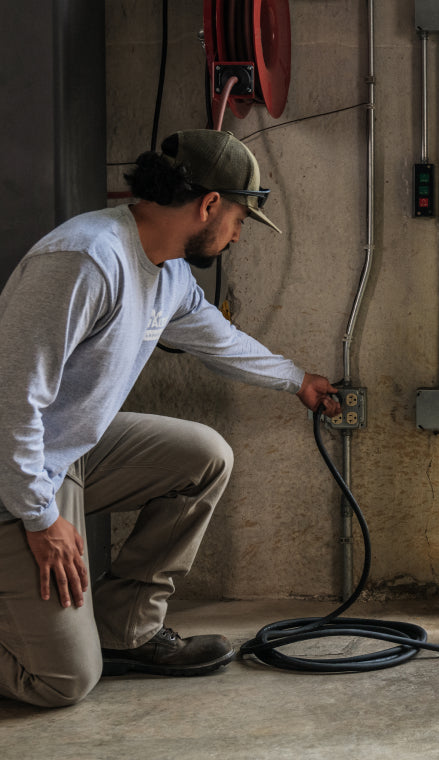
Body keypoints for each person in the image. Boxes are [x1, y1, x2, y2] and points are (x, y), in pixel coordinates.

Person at [0, 129, 341, 708]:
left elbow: (218, 340)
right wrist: (40, 518)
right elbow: (10, 400)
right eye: (237, 220)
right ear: (209, 204)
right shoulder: (86, 259)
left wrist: (296, 380)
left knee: (202, 457)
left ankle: (124, 630)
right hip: (14, 476)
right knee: (63, 681)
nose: (235, 237)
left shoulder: (167, 272)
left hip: (66, 457)